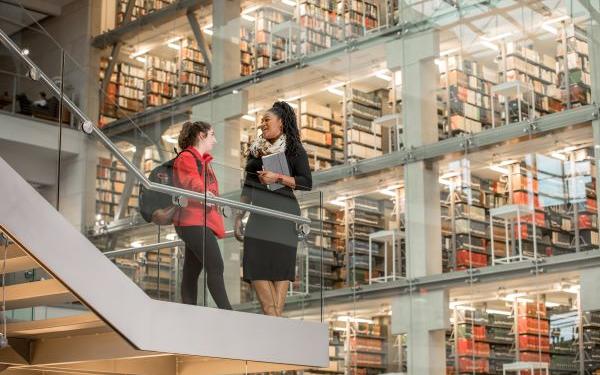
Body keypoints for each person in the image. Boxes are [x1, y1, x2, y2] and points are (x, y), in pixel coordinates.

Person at [235, 101, 312, 317]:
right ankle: (279, 335)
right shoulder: (254, 150)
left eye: (267, 120)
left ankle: (275, 335)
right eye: (261, 121)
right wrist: (239, 216)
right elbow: (247, 186)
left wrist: (277, 177)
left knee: (280, 274)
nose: (262, 125)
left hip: (284, 217)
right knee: (255, 268)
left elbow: (306, 182)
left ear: (281, 123)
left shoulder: (294, 150)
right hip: (259, 217)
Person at [173, 121, 232, 310]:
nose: (215, 140)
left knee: (192, 270)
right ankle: (228, 312)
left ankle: (189, 312)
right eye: (212, 134)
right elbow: (190, 180)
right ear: (201, 135)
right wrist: (206, 193)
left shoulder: (204, 162)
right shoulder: (187, 157)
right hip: (192, 221)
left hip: (199, 220)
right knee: (215, 266)